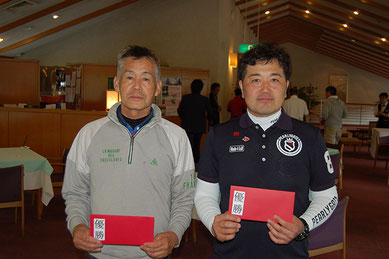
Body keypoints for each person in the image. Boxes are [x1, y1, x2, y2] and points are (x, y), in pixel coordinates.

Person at [194, 43, 338, 258]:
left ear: (286, 86)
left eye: (274, 79)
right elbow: (205, 194)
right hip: (229, 253)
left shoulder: (310, 137)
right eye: (255, 80)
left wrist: (303, 225)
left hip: (290, 253)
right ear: (242, 87)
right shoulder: (219, 136)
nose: (265, 89)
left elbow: (328, 196)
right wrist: (213, 221)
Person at [62, 45, 195, 259]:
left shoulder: (177, 137)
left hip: (153, 254)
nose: (137, 87)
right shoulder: (89, 134)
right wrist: (77, 226)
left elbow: (184, 197)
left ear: (158, 87)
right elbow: (75, 192)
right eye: (130, 77)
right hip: (99, 253)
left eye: (146, 79)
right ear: (117, 83)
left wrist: (173, 235)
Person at [178, 79, 212, 163]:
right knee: (197, 146)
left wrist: (184, 118)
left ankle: (186, 162)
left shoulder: (186, 98)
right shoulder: (204, 99)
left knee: (187, 145)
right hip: (199, 126)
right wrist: (208, 120)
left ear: (191, 87)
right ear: (201, 88)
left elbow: (179, 110)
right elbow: (210, 112)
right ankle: (196, 164)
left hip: (187, 125)